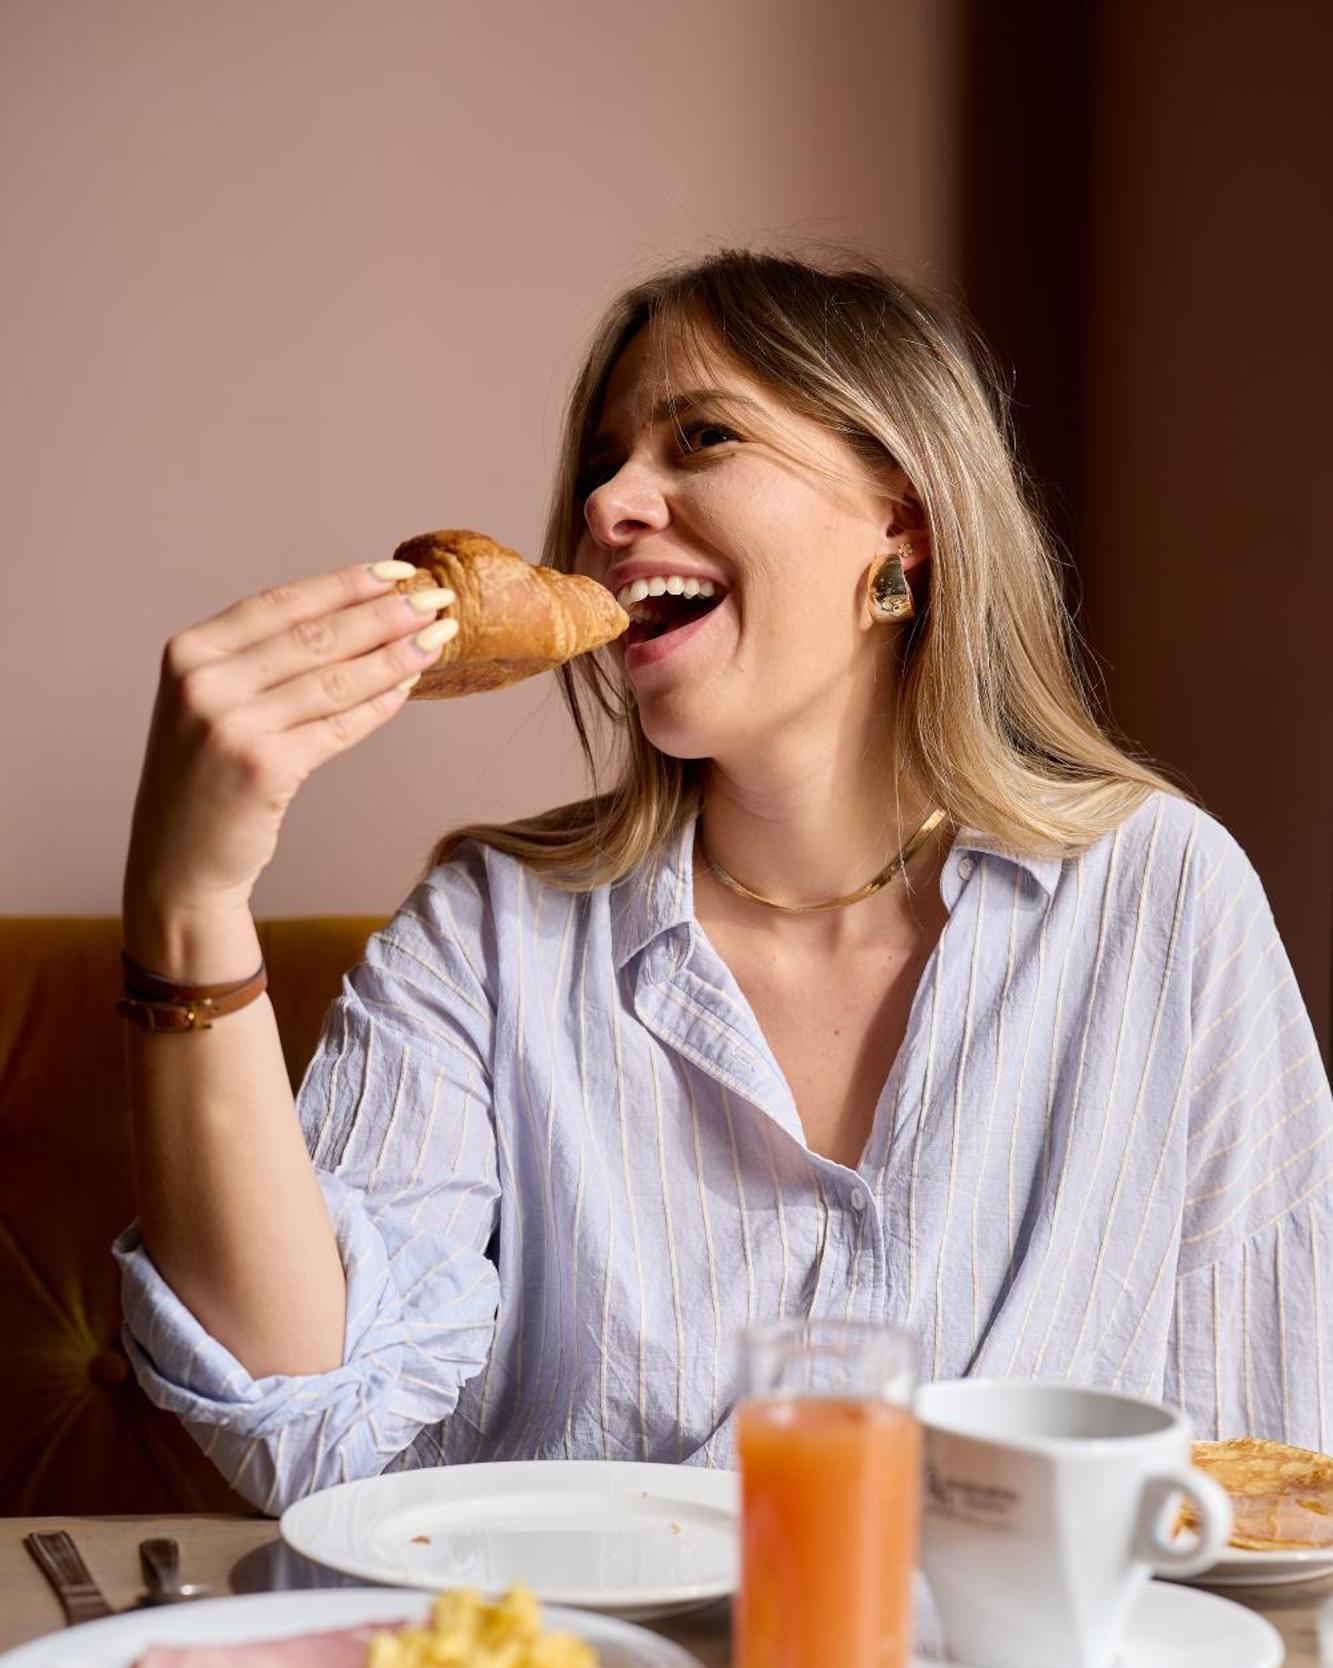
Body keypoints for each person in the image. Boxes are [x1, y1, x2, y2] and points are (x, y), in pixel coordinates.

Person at [115, 249, 1333, 1515]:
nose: (607, 508)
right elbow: (303, 1419)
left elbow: (1268, 1470)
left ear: (901, 519)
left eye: (699, 437)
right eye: (601, 465)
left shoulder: (1156, 899)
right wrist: (190, 902)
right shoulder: (488, 931)